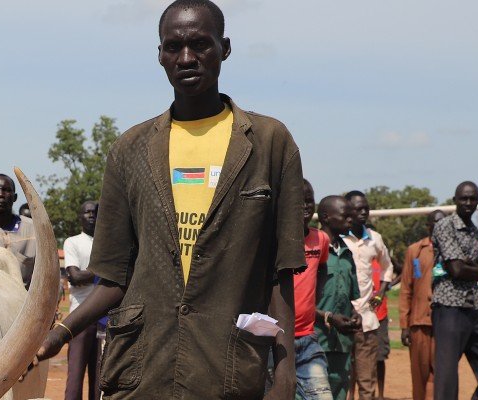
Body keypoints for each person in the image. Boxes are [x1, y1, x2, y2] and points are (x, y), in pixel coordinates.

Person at [31, 1, 304, 397]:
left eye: (201, 44)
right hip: (143, 371)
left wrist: (284, 374)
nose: (187, 57)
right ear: (159, 55)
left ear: (225, 48)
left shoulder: (269, 143)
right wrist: (58, 334)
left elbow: (282, 276)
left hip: (227, 369)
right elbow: (114, 280)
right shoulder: (131, 149)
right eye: (173, 46)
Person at [431, 181, 478, 400]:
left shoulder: (474, 232)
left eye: (472, 199)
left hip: (474, 307)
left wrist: (476, 268)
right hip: (449, 307)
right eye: (464, 198)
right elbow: (456, 269)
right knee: (447, 379)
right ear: (455, 201)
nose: (468, 203)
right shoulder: (445, 225)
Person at [341, 191, 394, 400]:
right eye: (358, 208)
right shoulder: (336, 238)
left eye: (366, 208)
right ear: (348, 211)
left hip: (367, 321)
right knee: (338, 378)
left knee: (366, 382)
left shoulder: (375, 239)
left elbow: (387, 267)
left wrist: (380, 293)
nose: (363, 212)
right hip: (339, 321)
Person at [316, 195, 362, 400]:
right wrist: (328, 318)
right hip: (315, 343)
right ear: (326, 217)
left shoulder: (346, 252)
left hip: (342, 343)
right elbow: (298, 300)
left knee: (339, 393)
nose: (351, 220)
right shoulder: (310, 249)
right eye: (346, 216)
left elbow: (351, 296)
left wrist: (355, 315)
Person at [399, 210, 445, 400]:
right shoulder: (415, 250)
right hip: (419, 322)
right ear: (428, 226)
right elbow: (406, 288)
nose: (438, 228)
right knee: (419, 374)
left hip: (444, 324)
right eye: (434, 224)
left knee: (441, 373)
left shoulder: (452, 251)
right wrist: (404, 325)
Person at [293, 181, 334, 400]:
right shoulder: (273, 241)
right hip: (274, 340)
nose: (306, 206)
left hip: (307, 338)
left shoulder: (321, 239)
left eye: (309, 200)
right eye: (299, 201)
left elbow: (323, 267)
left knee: (322, 396)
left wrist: (313, 301)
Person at [62, 200, 101, 400]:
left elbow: (80, 276)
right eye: (87, 212)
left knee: (100, 379)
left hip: (104, 318)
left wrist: (88, 275)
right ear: (80, 217)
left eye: (95, 212)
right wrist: (102, 273)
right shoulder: (73, 242)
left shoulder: (106, 244)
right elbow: (74, 277)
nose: (92, 215)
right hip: (80, 317)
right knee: (75, 377)